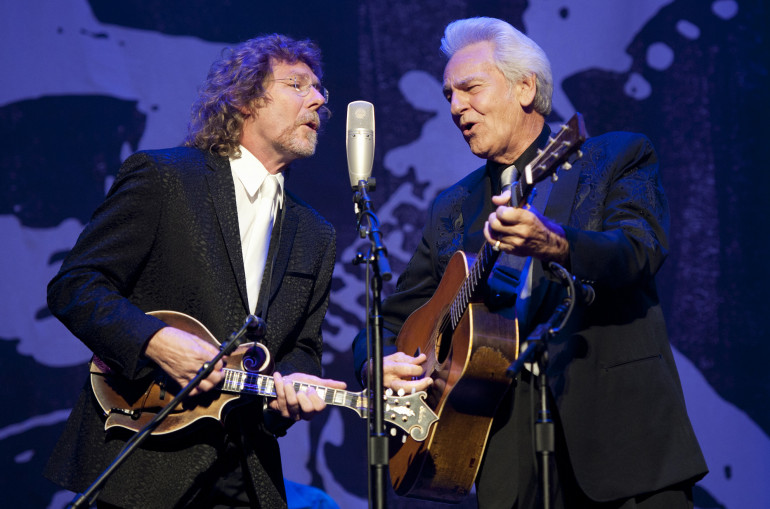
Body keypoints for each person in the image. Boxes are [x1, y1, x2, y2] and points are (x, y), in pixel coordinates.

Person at [353, 17, 708, 508]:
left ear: (525, 87)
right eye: (449, 95)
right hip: (506, 460)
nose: (456, 107)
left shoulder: (614, 157)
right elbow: (392, 319)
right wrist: (375, 365)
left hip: (624, 446)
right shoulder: (452, 207)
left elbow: (639, 251)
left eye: (471, 88)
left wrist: (556, 243)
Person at [44, 33, 346, 509]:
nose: (319, 100)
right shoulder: (165, 178)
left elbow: (302, 347)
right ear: (245, 99)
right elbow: (76, 286)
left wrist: (292, 388)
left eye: (319, 89)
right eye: (297, 84)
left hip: (246, 469)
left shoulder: (316, 232)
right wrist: (154, 341)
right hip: (147, 457)